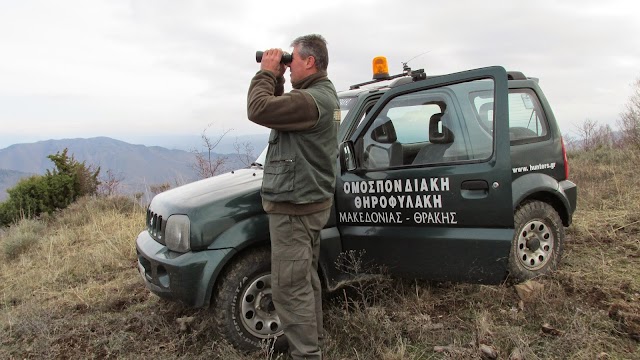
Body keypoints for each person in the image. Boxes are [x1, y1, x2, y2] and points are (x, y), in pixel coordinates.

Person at [247, 34, 339, 360]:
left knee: (289, 287)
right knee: (304, 279)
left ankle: (306, 354)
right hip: (307, 203)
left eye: (293, 60)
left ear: (310, 61)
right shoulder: (319, 96)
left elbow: (258, 109)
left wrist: (267, 73)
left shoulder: (310, 100)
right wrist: (279, 80)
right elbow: (277, 112)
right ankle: (313, 341)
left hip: (295, 208)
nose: (289, 63)